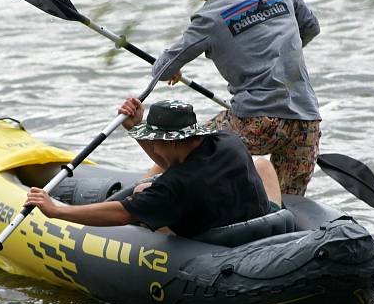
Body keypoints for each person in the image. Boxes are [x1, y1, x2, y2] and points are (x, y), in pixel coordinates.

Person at [152, 0, 322, 196]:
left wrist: (173, 68)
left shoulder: (210, 16)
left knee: (184, 145)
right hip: (306, 120)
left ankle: (147, 193)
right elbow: (311, 27)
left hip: (256, 121)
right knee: (286, 200)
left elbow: (161, 69)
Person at [24, 98, 282, 237]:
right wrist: (135, 128)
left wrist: (56, 211)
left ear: (171, 142)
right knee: (262, 164)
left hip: (217, 238)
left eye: (156, 142)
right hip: (260, 219)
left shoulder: (176, 186)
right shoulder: (226, 141)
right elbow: (167, 160)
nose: (154, 149)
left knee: (141, 192)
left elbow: (121, 213)